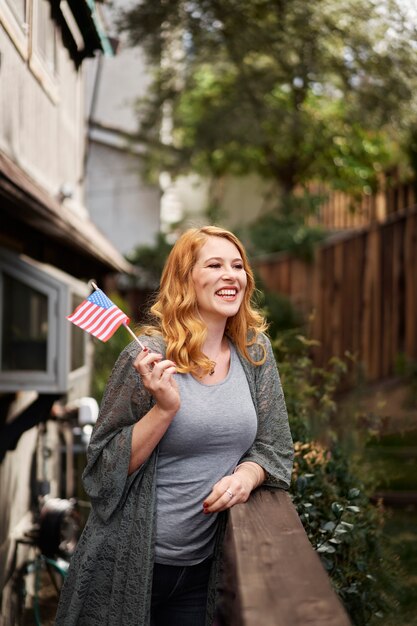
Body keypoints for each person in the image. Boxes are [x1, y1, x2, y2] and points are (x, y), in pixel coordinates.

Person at [54, 225, 294, 626]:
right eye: (214, 265)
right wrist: (163, 409)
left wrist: (248, 475)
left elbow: (276, 446)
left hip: (200, 569)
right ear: (186, 279)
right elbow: (100, 473)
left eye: (237, 266)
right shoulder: (147, 357)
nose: (230, 275)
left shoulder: (254, 352)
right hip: (126, 564)